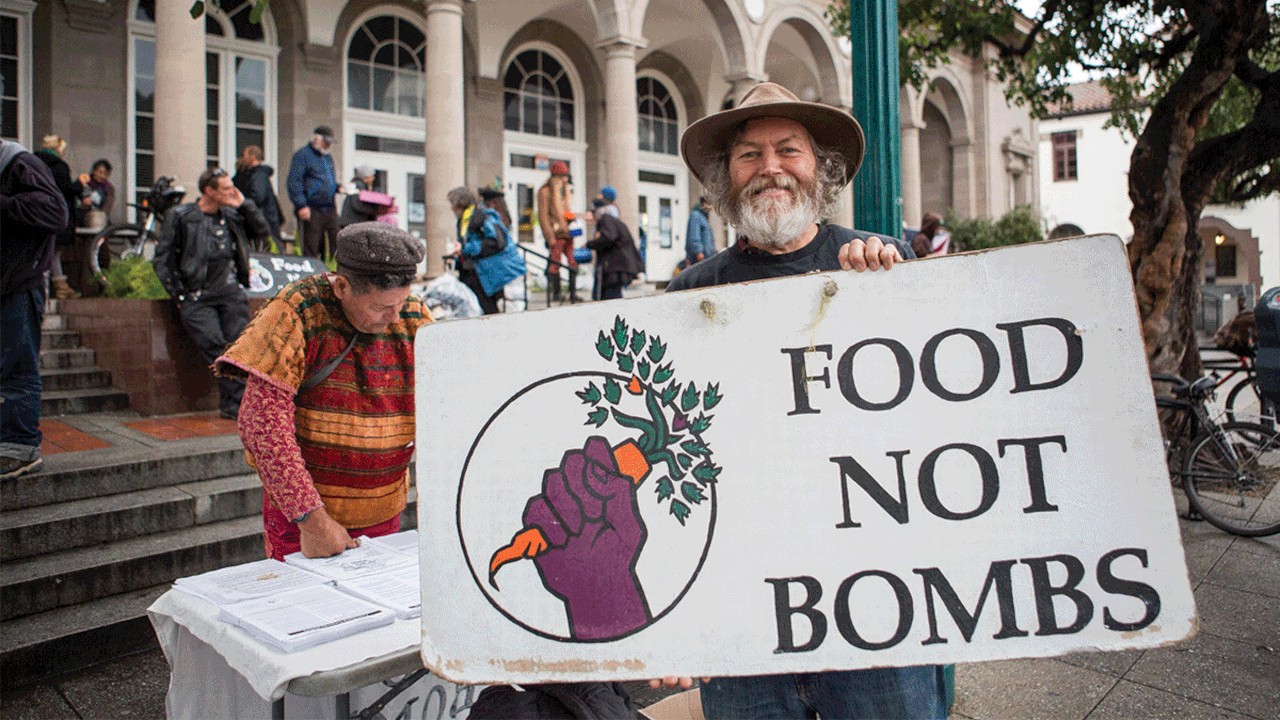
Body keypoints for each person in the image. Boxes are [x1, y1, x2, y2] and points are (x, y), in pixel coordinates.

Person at [665, 81, 944, 720]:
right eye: (747, 155)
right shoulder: (688, 294)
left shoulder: (879, 263)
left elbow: (931, 419)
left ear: (821, 169)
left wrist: (891, 291)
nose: (769, 168)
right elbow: (673, 452)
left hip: (877, 602)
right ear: (724, 178)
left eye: (788, 150)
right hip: (746, 607)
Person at [214, 223, 431, 560]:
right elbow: (262, 423)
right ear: (342, 286)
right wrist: (311, 519)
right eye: (380, 308)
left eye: (400, 303)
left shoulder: (413, 316)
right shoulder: (297, 310)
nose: (393, 318)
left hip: (384, 514)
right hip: (306, 522)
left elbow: (447, 403)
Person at [152, 167, 270, 420]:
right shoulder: (181, 216)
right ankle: (236, 404)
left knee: (239, 349)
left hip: (230, 293)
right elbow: (162, 259)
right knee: (216, 347)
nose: (232, 191)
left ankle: (236, 406)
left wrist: (244, 204)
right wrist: (180, 295)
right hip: (197, 296)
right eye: (226, 188)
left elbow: (262, 233)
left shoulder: (231, 215)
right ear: (209, 191)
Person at [0, 140, 68, 480]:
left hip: (17, 286)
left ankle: (19, 447)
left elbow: (55, 213)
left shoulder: (17, 162)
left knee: (16, 367)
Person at [449, 186, 527, 315]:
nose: (451, 208)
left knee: (490, 310)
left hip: (491, 272)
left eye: (453, 204)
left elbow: (496, 242)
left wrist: (465, 248)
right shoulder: (465, 219)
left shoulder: (482, 216)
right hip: (478, 272)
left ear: (461, 203)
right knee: (481, 309)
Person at [33, 135, 80, 300]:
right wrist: (79, 185)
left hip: (37, 214)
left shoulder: (33, 163)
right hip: (57, 216)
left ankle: (60, 286)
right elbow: (66, 190)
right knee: (52, 253)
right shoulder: (59, 167)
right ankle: (54, 288)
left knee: (50, 253)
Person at [287, 125, 341, 259]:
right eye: (326, 141)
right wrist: (301, 205)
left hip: (329, 207)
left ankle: (332, 267)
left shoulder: (327, 158)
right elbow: (294, 181)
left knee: (335, 239)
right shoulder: (303, 155)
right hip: (311, 207)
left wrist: (337, 187)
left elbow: (325, 180)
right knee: (311, 243)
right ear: (317, 139)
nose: (328, 145)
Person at [536, 160, 580, 303]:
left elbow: (566, 212)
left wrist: (574, 219)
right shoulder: (544, 192)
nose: (565, 180)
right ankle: (556, 293)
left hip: (567, 233)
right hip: (555, 234)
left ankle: (573, 294)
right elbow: (543, 216)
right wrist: (549, 237)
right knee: (555, 263)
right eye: (562, 176)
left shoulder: (565, 190)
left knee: (572, 262)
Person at [586, 198, 643, 300]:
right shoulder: (613, 221)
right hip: (618, 266)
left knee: (611, 297)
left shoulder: (606, 220)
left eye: (593, 213)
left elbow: (608, 238)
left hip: (615, 267)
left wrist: (590, 244)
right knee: (612, 296)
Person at [232, 146, 284, 252]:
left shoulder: (259, 175)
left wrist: (243, 202)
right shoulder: (252, 175)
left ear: (252, 157)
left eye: (244, 155)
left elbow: (258, 197)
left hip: (263, 220)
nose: (241, 158)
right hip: (261, 220)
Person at [74, 158, 115, 231]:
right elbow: (73, 199)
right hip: (80, 218)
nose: (102, 176)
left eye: (106, 174)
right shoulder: (83, 182)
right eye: (100, 172)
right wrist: (82, 204)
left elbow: (107, 207)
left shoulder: (109, 188)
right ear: (94, 171)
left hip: (99, 219)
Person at [684, 194, 715, 269]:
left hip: (706, 257)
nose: (711, 208)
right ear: (704, 204)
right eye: (709, 204)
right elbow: (694, 235)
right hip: (699, 258)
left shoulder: (703, 217)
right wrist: (698, 252)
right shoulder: (696, 215)